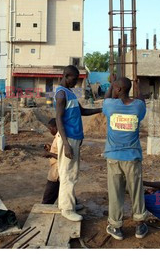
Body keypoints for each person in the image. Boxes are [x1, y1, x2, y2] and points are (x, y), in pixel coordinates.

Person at [102, 75, 148, 240]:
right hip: (132, 157)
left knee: (115, 193)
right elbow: (142, 101)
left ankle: (116, 226)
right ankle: (139, 225)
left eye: (115, 87)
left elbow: (106, 98)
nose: (113, 89)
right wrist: (138, 87)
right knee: (136, 191)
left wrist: (110, 85)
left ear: (118, 89)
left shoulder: (110, 105)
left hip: (114, 157)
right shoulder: (137, 107)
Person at [55, 65, 102, 222]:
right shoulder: (61, 94)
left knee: (72, 172)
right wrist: (67, 144)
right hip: (68, 139)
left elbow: (82, 111)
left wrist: (101, 109)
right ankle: (66, 209)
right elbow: (58, 119)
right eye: (74, 79)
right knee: (67, 173)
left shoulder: (70, 93)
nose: (76, 83)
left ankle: (70, 203)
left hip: (74, 138)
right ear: (66, 76)